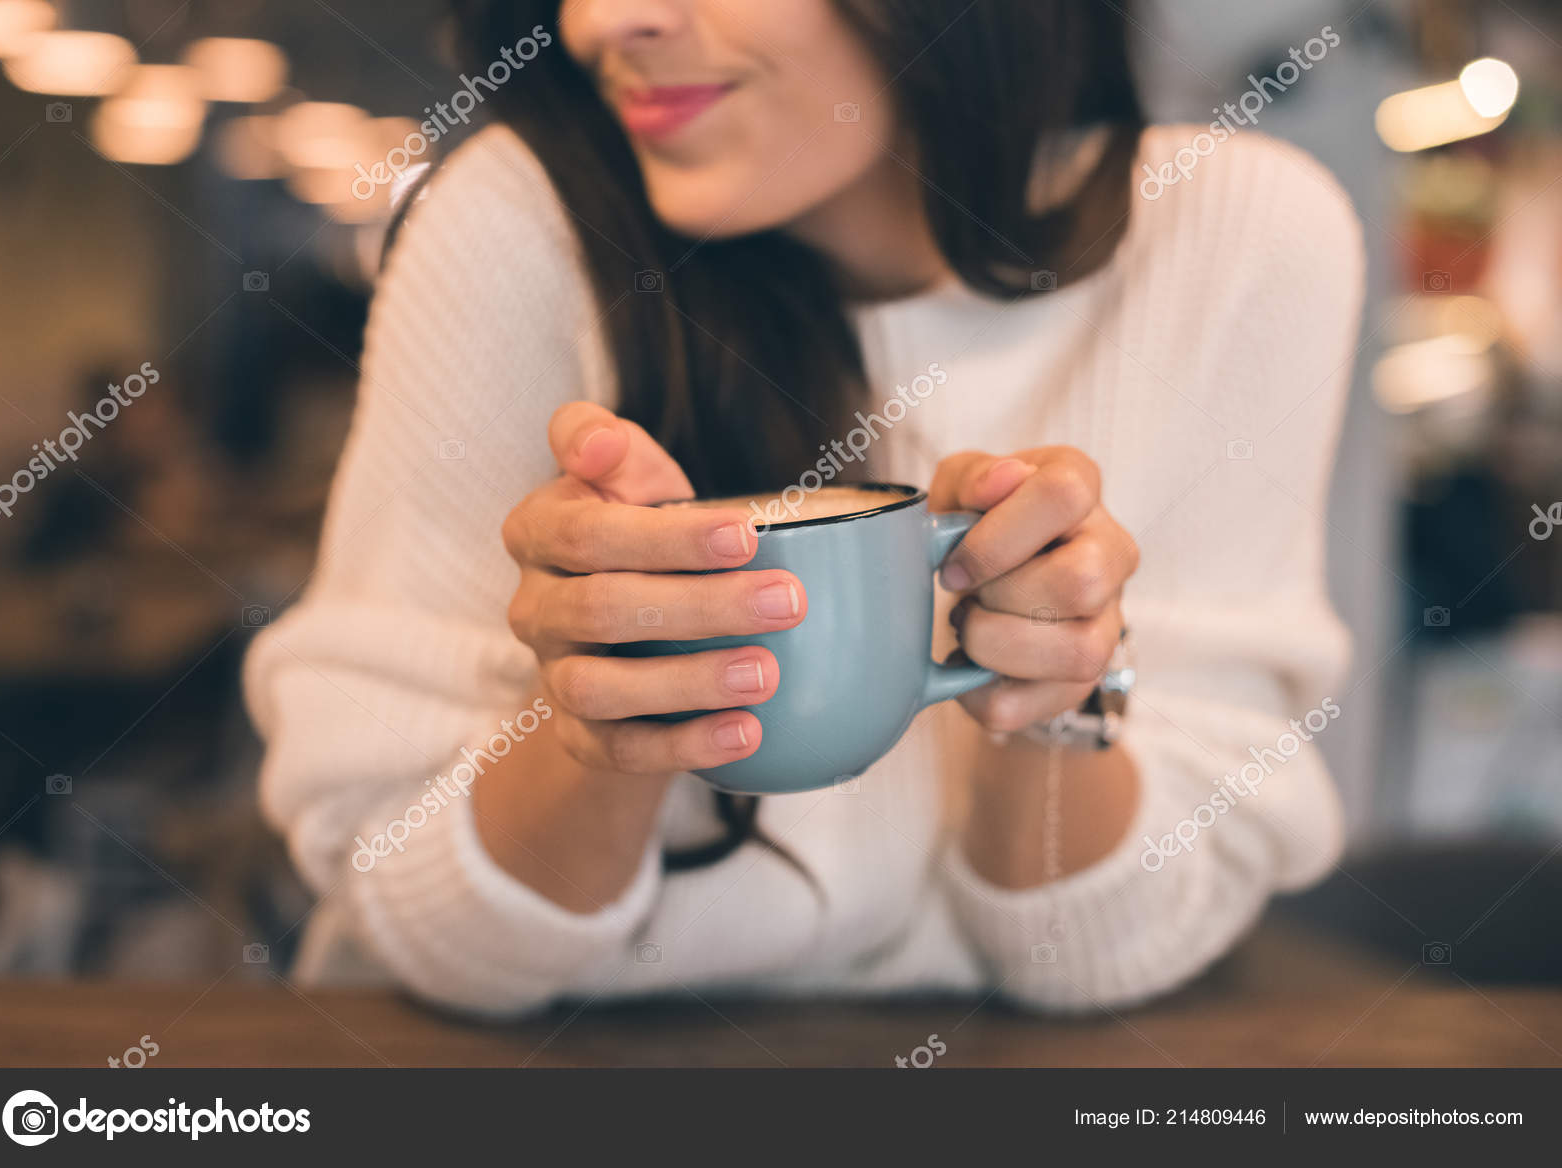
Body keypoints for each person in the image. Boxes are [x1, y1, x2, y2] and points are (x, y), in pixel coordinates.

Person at [245, 0, 1362, 1017]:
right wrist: (601, 730)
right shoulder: (520, 218)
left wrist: (1052, 691)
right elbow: (430, 940)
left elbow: (1098, 953)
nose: (604, 22)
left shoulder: (1238, 235)